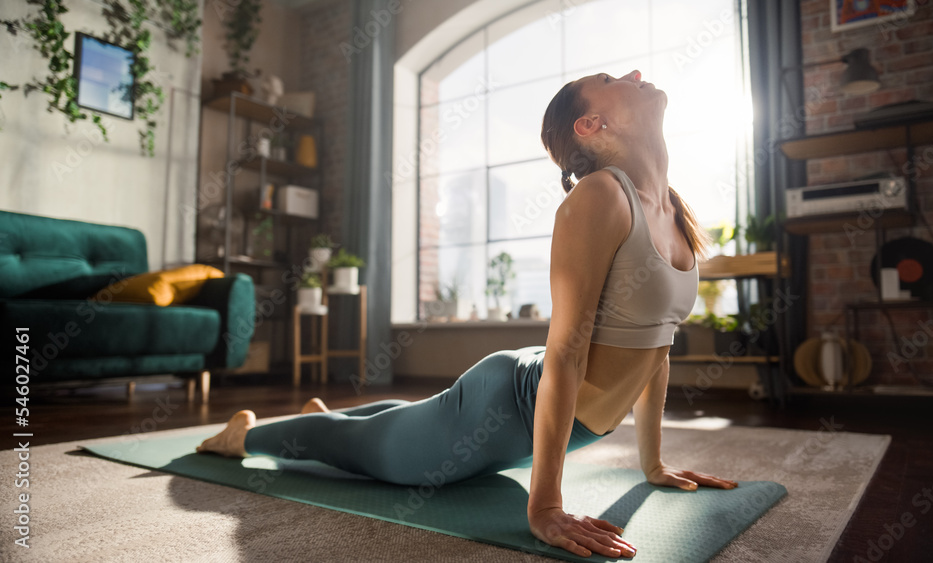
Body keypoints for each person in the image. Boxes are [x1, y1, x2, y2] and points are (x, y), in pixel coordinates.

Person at [197, 70, 739, 559]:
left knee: (410, 419)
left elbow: (656, 349)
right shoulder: (601, 197)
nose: (635, 74)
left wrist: (653, 464)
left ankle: (330, 417)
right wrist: (545, 506)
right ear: (591, 124)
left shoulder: (670, 208)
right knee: (366, 451)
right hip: (499, 412)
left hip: (523, 391)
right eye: (611, 77)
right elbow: (567, 350)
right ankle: (244, 436)